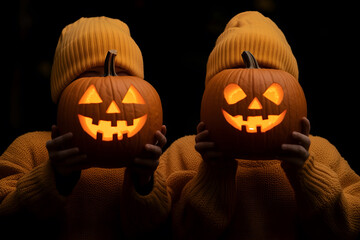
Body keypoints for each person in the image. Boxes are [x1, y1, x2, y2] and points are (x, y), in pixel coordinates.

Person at [152, 11, 360, 239]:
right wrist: (214, 172)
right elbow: (168, 230)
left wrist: (306, 172)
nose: (253, 104)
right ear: (211, 95)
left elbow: (349, 228)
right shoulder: (184, 154)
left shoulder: (321, 154)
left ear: (295, 93)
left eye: (271, 91)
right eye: (235, 92)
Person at [0, 16, 170, 239]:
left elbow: (158, 228)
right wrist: (53, 176)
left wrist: (144, 181)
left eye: (122, 75)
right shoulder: (29, 148)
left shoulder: (146, 165)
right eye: (91, 76)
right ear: (64, 92)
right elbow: (6, 216)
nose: (112, 106)